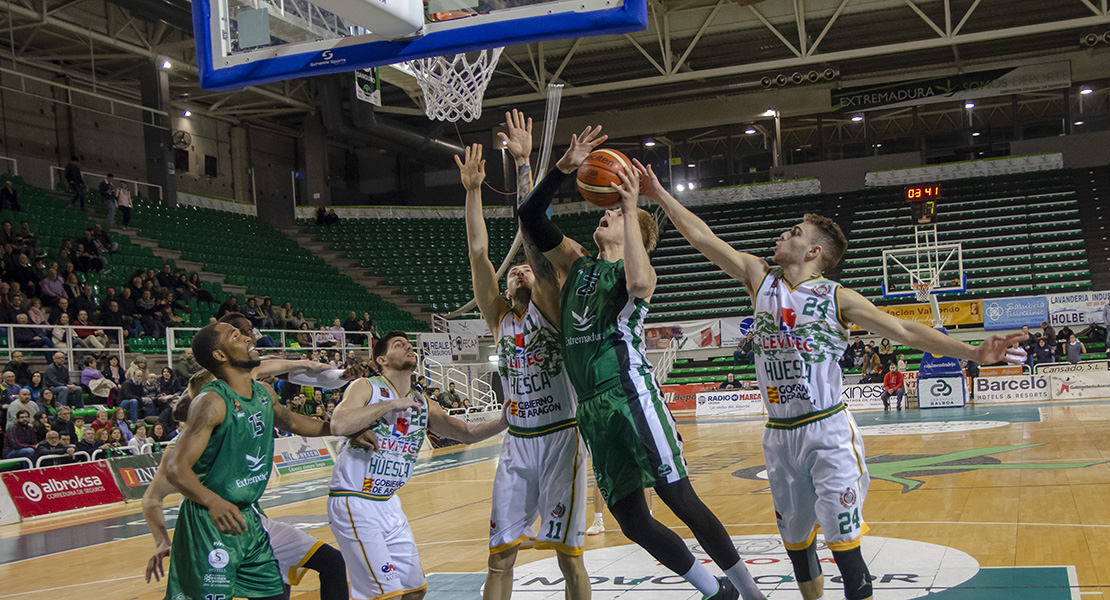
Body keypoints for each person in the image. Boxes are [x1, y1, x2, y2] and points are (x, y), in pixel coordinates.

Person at [647, 164, 1029, 600]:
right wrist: (659, 194)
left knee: (844, 548)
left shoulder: (837, 297)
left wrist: (974, 352)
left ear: (812, 252)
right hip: (779, 436)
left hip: (827, 431)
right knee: (798, 548)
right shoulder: (760, 279)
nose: (782, 235)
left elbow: (904, 331)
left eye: (794, 231)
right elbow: (702, 238)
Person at [517, 125, 763, 600]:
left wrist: (631, 208)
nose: (605, 213)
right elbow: (530, 215)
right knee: (632, 521)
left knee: (679, 498)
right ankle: (716, 592)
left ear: (637, 233)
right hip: (591, 407)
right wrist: (563, 169)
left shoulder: (636, 270)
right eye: (608, 210)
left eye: (614, 212)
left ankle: (751, 593)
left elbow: (637, 281)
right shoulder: (577, 263)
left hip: (631, 395)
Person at [459, 131, 591, 600]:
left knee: (567, 555)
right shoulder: (499, 317)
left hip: (561, 437)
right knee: (500, 557)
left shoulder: (553, 306)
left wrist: (523, 163)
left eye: (526, 269)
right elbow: (479, 253)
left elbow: (535, 233)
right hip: (517, 445)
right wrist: (473, 192)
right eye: (512, 270)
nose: (518, 270)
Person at [161, 321, 341, 600]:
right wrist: (213, 501)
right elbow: (176, 467)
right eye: (235, 335)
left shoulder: (263, 393)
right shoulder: (212, 401)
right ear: (220, 355)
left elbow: (292, 421)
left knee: (277, 593)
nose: (247, 337)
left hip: (249, 518)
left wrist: (342, 427)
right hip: (210, 521)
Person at [328, 331, 510, 600]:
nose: (408, 348)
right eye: (399, 345)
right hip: (354, 499)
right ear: (382, 359)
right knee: (384, 594)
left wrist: (503, 420)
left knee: (415, 590)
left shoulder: (423, 402)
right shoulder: (367, 387)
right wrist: (392, 404)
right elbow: (339, 424)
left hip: (388, 502)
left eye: (410, 345)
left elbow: (466, 433)